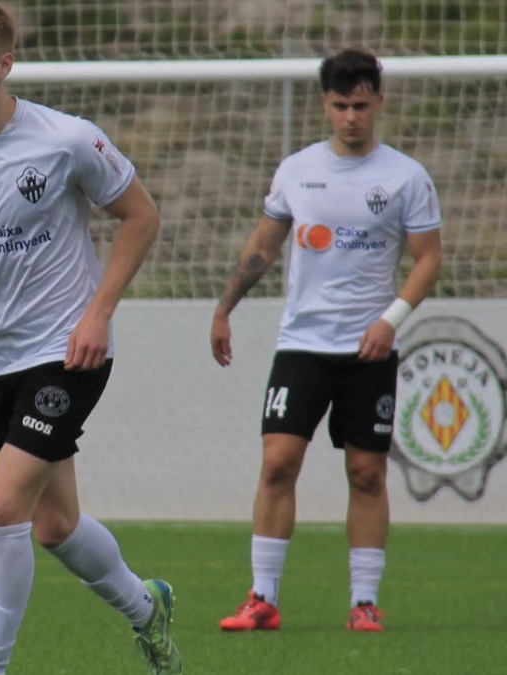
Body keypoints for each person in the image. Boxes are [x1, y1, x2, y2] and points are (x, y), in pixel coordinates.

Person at [0, 2, 183, 674]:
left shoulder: (66, 139)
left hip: (69, 351)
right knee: (53, 526)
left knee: (1, 504)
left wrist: (98, 313)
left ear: (5, 63)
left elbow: (140, 217)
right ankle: (148, 608)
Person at [210, 47, 443, 633]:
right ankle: (262, 599)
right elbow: (263, 246)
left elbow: (428, 261)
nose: (350, 118)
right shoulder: (297, 169)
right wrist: (225, 307)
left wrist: (389, 319)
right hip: (303, 346)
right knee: (278, 463)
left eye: (361, 105)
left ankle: (364, 602)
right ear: (325, 104)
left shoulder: (406, 177)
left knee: (366, 472)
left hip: (369, 350)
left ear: (378, 103)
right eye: (340, 105)